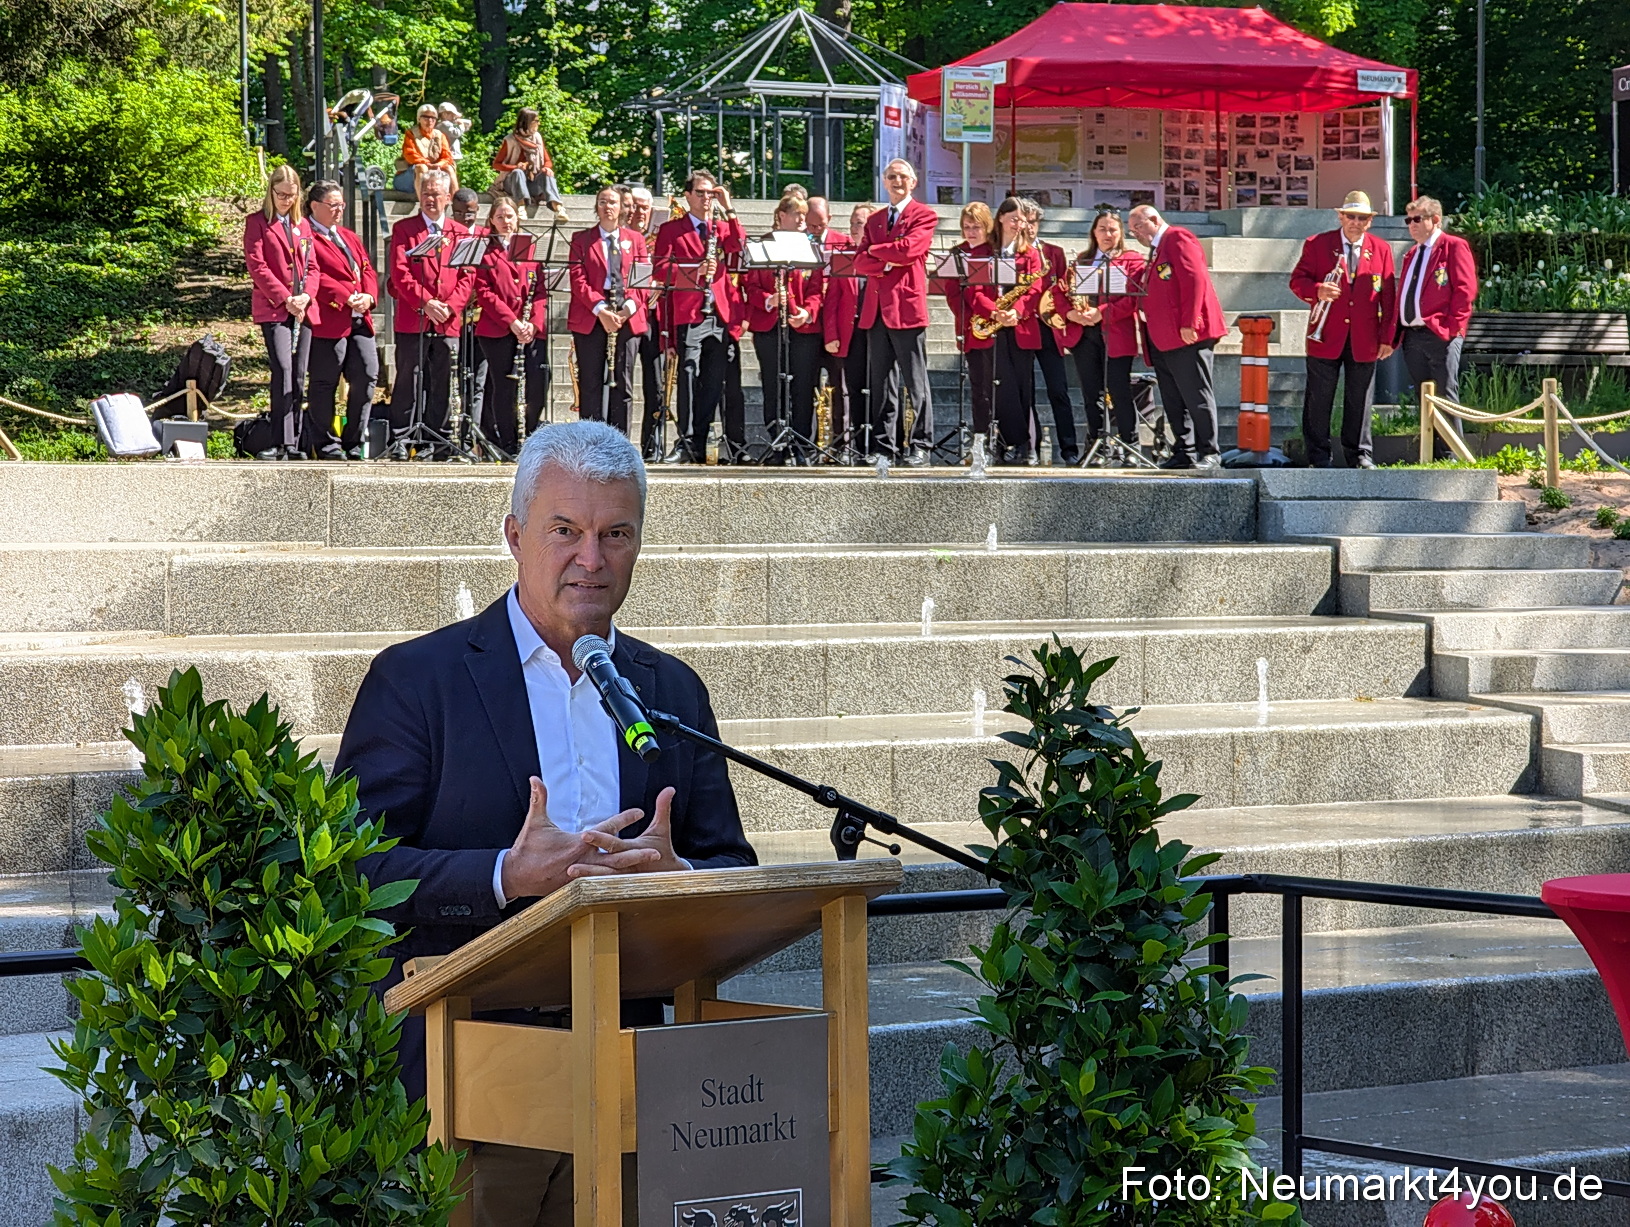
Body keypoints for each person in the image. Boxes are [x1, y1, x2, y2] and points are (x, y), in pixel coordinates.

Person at [335, 421, 757, 1225]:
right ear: (515, 535)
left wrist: (682, 882)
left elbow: (731, 863)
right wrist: (504, 874)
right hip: (465, 1090)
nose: (591, 558)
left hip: (631, 1083)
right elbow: (348, 871)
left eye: (615, 534)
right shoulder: (418, 680)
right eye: (565, 530)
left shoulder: (671, 691)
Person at [1289, 190, 1398, 469]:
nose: (1356, 222)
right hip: (1326, 335)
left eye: (1362, 218)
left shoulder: (1382, 249)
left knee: (1360, 399)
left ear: (1370, 221)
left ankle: (1360, 454)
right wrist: (1317, 290)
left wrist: (1388, 338)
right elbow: (1297, 280)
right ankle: (1318, 456)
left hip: (1365, 337)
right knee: (1319, 398)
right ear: (1340, 217)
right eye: (1351, 216)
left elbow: (1389, 298)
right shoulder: (1317, 244)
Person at [653, 170, 746, 464]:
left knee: (714, 381)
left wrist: (729, 207)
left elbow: (739, 245)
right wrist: (695, 271)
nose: (707, 198)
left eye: (711, 193)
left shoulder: (721, 226)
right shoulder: (672, 229)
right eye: (701, 192)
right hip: (690, 312)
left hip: (719, 313)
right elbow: (660, 270)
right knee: (689, 376)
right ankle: (686, 441)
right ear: (688, 195)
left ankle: (703, 441)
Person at [1126, 204, 1227, 470]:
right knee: (1173, 397)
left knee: (1196, 393)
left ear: (1154, 219)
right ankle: (1185, 450)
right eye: (1132, 230)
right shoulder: (1157, 249)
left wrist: (1189, 321)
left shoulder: (1177, 238)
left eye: (1138, 227)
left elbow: (1195, 280)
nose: (1136, 234)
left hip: (1186, 333)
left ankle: (1210, 451)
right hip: (1163, 336)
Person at [386, 170, 476, 459]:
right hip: (414, 318)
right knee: (408, 379)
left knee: (442, 380)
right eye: (425, 193)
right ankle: (402, 438)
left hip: (447, 320)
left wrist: (450, 306)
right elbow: (399, 273)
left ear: (448, 197)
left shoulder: (460, 232)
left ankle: (439, 440)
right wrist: (426, 302)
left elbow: (468, 275)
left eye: (436, 194)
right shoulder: (405, 229)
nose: (430, 199)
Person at [854, 158, 937, 465]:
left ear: (913, 182)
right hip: (876, 310)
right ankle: (883, 446)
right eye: (891, 176)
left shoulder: (923, 214)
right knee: (881, 383)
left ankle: (921, 444)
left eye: (902, 176)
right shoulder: (875, 220)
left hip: (906, 307)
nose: (897, 181)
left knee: (916, 382)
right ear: (884, 181)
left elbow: (909, 250)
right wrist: (884, 258)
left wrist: (875, 251)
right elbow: (859, 261)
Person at [743, 194, 824, 463]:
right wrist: (769, 299)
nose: (802, 219)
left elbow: (816, 289)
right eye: (796, 214)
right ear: (781, 216)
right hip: (769, 326)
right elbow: (751, 286)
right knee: (773, 385)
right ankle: (777, 443)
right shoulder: (763, 245)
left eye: (804, 214)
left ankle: (803, 445)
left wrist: (807, 312)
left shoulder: (810, 246)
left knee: (804, 385)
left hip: (801, 326)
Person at [303, 180, 379, 461]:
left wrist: (369, 296)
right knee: (325, 382)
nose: (339, 210)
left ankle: (354, 441)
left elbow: (367, 268)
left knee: (367, 375)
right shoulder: (306, 235)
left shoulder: (348, 236)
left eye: (341, 205)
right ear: (315, 206)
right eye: (333, 205)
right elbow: (312, 274)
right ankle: (326, 444)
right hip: (329, 319)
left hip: (359, 318)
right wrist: (344, 295)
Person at [243, 165, 313, 460]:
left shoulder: (303, 225)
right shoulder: (257, 222)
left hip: (302, 309)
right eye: (281, 194)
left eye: (291, 195)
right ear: (271, 192)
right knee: (282, 369)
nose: (286, 200)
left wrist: (306, 296)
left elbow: (312, 266)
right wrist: (286, 298)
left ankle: (295, 441)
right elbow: (257, 266)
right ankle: (280, 441)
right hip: (275, 308)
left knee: (298, 374)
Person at [1064, 208, 1147, 453]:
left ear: (1121, 232)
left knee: (1120, 391)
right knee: (1092, 394)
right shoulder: (1082, 259)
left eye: (1112, 229)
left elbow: (1133, 298)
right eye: (1102, 229)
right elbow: (1064, 292)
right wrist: (1072, 313)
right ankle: (1098, 447)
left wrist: (1101, 312)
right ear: (1094, 232)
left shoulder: (1132, 259)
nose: (1107, 234)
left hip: (1116, 333)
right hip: (1085, 334)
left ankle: (1130, 445)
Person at [569, 186, 650, 433]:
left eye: (613, 202)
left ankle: (620, 442)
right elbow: (578, 279)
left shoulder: (636, 239)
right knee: (591, 383)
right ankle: (591, 441)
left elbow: (643, 279)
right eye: (602, 201)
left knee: (623, 384)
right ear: (597, 207)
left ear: (622, 207)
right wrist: (601, 310)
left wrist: (626, 311)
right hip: (592, 313)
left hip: (626, 313)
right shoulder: (581, 239)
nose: (608, 207)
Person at [1395, 195, 1478, 432]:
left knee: (1445, 393)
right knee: (1424, 397)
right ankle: (1431, 449)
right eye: (1408, 220)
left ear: (1435, 219)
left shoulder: (1452, 246)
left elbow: (1465, 289)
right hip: (1412, 335)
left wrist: (1452, 328)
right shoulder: (1412, 253)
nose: (1412, 225)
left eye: (1417, 219)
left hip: (1440, 332)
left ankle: (1452, 450)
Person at [474, 195, 549, 456]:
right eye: (500, 217)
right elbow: (484, 292)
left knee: (538, 382)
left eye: (510, 216)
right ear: (492, 221)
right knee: (504, 386)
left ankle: (529, 435)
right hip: (498, 330)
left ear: (517, 218)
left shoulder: (528, 247)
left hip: (529, 329)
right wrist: (512, 322)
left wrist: (533, 324)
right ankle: (508, 442)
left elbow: (540, 290)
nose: (506, 221)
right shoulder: (485, 250)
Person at [1020, 198, 1081, 465]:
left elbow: (1064, 289)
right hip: (1023, 326)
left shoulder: (1053, 252)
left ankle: (1069, 450)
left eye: (1033, 222)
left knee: (1059, 390)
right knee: (1025, 392)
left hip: (1049, 328)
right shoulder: (1011, 252)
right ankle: (1029, 448)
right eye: (1024, 222)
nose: (1029, 227)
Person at [987, 198, 1047, 465]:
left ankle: (1027, 445)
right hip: (993, 322)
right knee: (1000, 386)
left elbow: (1035, 289)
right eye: (1014, 219)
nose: (1018, 224)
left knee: (1023, 387)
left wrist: (1017, 311)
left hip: (1020, 325)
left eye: (1022, 220)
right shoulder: (987, 250)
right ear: (1000, 217)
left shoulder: (1031, 253)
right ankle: (1003, 443)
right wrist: (994, 311)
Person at [940, 201, 997, 458]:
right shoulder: (957, 253)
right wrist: (970, 317)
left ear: (987, 227)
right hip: (972, 328)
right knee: (978, 387)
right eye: (966, 227)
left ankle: (1001, 438)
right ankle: (981, 437)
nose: (971, 232)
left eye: (976, 227)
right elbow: (952, 294)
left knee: (997, 386)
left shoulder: (995, 251)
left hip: (997, 325)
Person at [817, 201, 870, 461]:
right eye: (852, 223)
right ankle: (848, 445)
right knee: (847, 390)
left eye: (860, 223)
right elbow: (832, 300)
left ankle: (873, 444)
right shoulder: (844, 255)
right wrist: (831, 335)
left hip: (874, 333)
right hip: (849, 333)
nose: (854, 228)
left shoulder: (881, 255)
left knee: (875, 389)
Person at [626, 186, 667, 459]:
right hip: (627, 316)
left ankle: (653, 447)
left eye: (645, 207)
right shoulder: (620, 238)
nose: (640, 212)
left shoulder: (659, 240)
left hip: (654, 317)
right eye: (636, 206)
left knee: (656, 384)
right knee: (623, 384)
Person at [451, 188, 488, 433]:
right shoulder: (446, 234)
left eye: (471, 213)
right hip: (453, 316)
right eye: (459, 213)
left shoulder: (486, 236)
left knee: (479, 380)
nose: (465, 218)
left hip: (480, 318)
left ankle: (473, 433)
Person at [493, 107, 569, 222]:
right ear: (527, 122)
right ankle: (521, 207)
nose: (539, 123)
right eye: (536, 121)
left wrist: (546, 168)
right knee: (518, 172)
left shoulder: (537, 138)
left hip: (532, 183)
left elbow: (547, 161)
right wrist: (515, 167)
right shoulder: (510, 140)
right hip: (512, 183)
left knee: (547, 174)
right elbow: (496, 164)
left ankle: (558, 208)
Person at [399, 104, 455, 193]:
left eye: (433, 118)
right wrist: (427, 164)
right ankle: (422, 200)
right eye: (426, 117)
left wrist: (439, 165)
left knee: (449, 168)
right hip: (408, 177)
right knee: (422, 167)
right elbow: (410, 154)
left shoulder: (440, 135)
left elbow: (447, 157)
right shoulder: (411, 134)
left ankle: (455, 199)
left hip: (434, 171)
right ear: (419, 119)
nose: (430, 121)